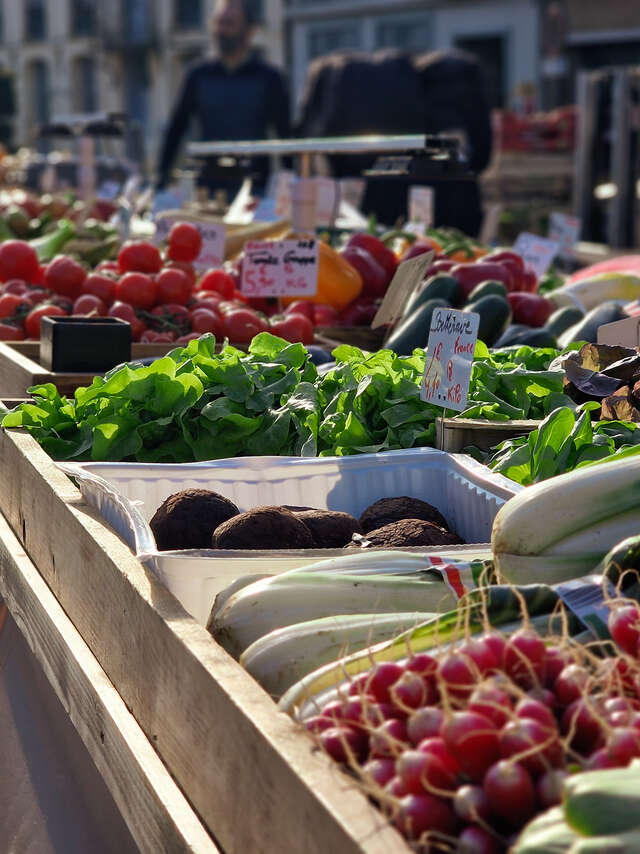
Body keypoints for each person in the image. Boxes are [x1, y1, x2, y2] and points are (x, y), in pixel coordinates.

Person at [296, 48, 492, 234]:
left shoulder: (335, 79)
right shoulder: (445, 86)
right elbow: (479, 154)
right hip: (432, 198)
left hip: (371, 196)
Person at [155, 0, 291, 199]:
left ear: (249, 30)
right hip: (208, 190)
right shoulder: (198, 75)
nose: (221, 30)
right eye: (218, 22)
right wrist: (161, 180)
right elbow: (176, 128)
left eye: (230, 23)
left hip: (256, 189)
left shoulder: (270, 78)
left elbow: (285, 135)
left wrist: (293, 183)